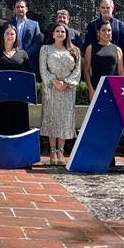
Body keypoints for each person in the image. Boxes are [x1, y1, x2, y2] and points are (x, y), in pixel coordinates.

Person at [39, 24, 82, 165]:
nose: (60, 33)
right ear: (52, 34)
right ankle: (52, 151)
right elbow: (42, 69)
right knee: (52, 119)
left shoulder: (74, 50)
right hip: (51, 90)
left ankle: (61, 151)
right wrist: (54, 81)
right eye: (57, 31)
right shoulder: (45, 49)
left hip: (67, 91)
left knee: (64, 120)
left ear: (66, 34)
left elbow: (77, 71)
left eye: (62, 31)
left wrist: (66, 82)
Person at [0, 23, 32, 136]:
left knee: (17, 125)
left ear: (16, 36)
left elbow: (29, 74)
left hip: (18, 97)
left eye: (12, 34)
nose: (9, 36)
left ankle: (16, 152)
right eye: (7, 33)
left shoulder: (23, 54)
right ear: (3, 36)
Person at [83, 21, 124, 94]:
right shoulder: (90, 48)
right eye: (103, 30)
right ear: (98, 32)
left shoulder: (118, 49)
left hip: (114, 89)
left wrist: (120, 89)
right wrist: (90, 89)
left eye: (109, 30)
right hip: (96, 89)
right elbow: (86, 70)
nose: (106, 32)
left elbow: (121, 72)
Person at [6, 0, 41, 70]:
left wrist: (24, 54)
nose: (20, 9)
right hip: (10, 59)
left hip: (28, 60)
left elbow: (37, 43)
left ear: (26, 9)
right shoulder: (7, 24)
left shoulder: (34, 24)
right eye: (17, 7)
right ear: (14, 10)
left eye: (22, 7)